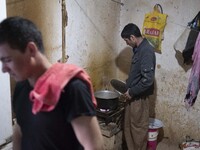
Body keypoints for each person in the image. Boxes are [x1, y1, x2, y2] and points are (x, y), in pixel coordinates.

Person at [0, 16, 104, 150]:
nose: (3, 69)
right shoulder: (21, 87)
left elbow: (94, 147)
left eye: (7, 60)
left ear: (31, 50)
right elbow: (20, 129)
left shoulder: (71, 88)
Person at [121, 23, 156, 150]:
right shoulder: (138, 49)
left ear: (132, 37)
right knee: (129, 128)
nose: (126, 43)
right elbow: (139, 74)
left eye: (126, 41)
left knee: (138, 130)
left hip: (139, 99)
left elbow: (148, 80)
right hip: (133, 96)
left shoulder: (146, 51)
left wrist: (132, 91)